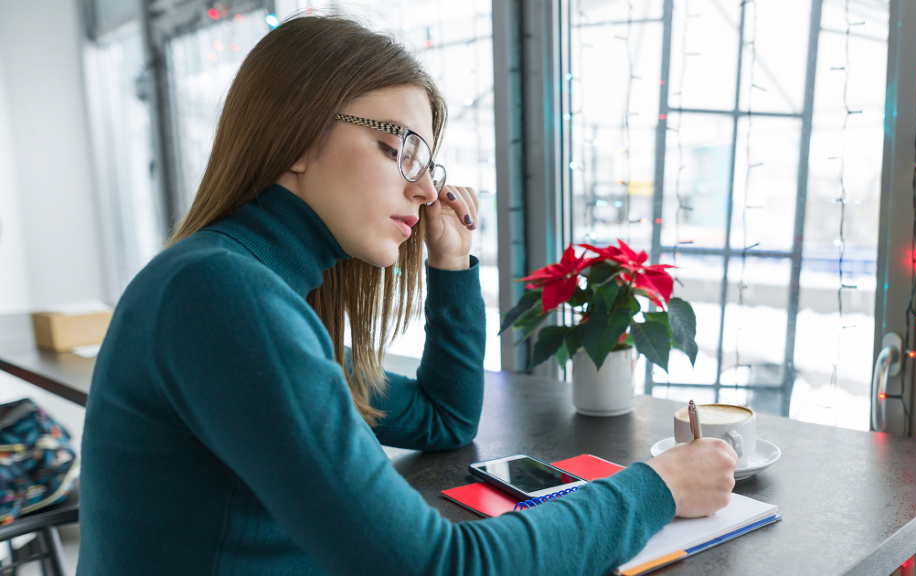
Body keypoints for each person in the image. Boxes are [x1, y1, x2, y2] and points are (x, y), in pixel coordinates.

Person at [76, 13, 737, 576]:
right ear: (300, 138)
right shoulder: (224, 297)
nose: (424, 191)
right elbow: (435, 567)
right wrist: (655, 488)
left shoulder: (237, 283)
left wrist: (451, 264)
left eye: (428, 165)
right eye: (401, 151)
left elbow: (443, 420)